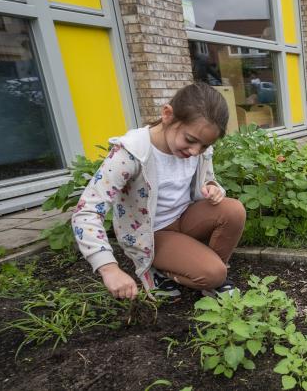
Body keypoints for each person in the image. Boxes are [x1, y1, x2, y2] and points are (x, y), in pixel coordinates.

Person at [71, 83, 246, 300]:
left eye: (203, 146)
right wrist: (109, 268)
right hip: (152, 234)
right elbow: (86, 212)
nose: (195, 152)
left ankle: (209, 276)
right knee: (214, 273)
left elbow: (207, 178)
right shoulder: (131, 153)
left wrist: (212, 187)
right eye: (190, 141)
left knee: (233, 210)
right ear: (167, 115)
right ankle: (158, 271)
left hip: (184, 218)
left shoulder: (197, 148)